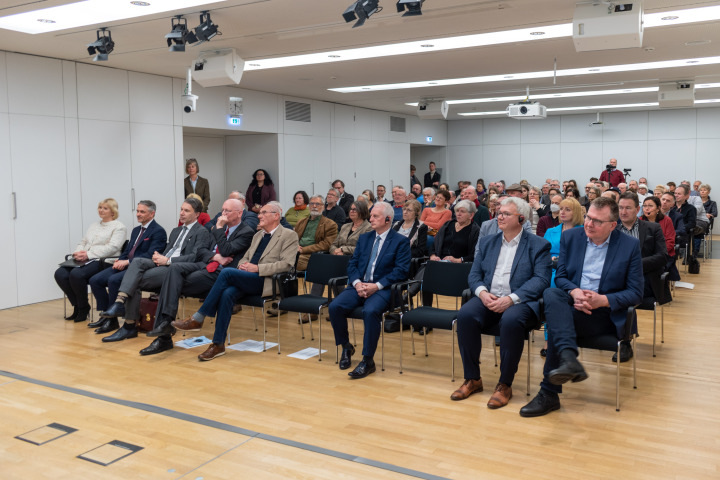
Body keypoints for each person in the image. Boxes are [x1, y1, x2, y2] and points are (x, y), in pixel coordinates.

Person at [520, 197, 643, 417]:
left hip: (604, 314)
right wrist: (575, 292)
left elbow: (636, 293)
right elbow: (563, 277)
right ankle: (567, 360)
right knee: (551, 293)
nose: (588, 224)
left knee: (558, 324)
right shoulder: (572, 237)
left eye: (597, 221)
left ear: (612, 226)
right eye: (588, 217)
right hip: (573, 304)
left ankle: (550, 390)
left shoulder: (629, 245)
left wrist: (601, 300)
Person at [107, 198, 256, 344]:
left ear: (240, 213)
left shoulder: (237, 231)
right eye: (222, 210)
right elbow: (203, 252)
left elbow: (218, 251)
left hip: (209, 271)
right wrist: (215, 256)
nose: (222, 214)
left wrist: (218, 230)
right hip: (187, 266)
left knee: (147, 278)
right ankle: (135, 313)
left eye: (227, 211)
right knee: (139, 265)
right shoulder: (179, 230)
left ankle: (144, 327)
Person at [451, 197, 551, 408]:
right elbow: (475, 273)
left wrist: (511, 299)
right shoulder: (488, 242)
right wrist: (482, 293)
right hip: (489, 296)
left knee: (511, 321)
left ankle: (505, 384)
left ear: (521, 218)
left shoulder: (538, 245)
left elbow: (541, 280)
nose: (499, 216)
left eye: (506, 214)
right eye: (499, 212)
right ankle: (473, 379)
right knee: (466, 315)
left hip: (520, 301)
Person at [175, 201, 300, 361]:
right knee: (227, 294)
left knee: (227, 273)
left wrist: (257, 269)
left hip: (267, 280)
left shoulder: (289, 235)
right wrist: (243, 267)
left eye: (263, 213)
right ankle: (218, 344)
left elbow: (287, 264)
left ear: (276, 216)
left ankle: (199, 318)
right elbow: (244, 258)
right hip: (249, 277)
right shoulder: (258, 235)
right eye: (259, 213)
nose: (259, 216)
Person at [97, 197, 211, 354]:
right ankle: (119, 302)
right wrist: (159, 256)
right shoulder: (176, 230)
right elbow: (167, 251)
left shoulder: (202, 232)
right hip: (162, 263)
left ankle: (129, 325)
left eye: (186, 211)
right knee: (136, 263)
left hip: (176, 267)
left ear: (197, 214)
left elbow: (195, 257)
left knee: (133, 280)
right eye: (181, 209)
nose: (182, 213)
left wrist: (168, 260)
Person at [329, 202, 411, 379]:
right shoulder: (365, 238)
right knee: (335, 306)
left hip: (383, 288)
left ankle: (368, 360)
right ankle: (346, 347)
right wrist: (357, 283)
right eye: (371, 215)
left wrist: (377, 286)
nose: (370, 219)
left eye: (375, 216)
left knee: (371, 311)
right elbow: (353, 264)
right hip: (360, 285)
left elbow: (401, 271)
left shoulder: (400, 242)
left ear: (388, 219)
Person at [88, 201, 166, 324]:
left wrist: (127, 262)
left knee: (114, 280)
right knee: (95, 280)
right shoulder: (136, 230)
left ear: (152, 214)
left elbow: (150, 255)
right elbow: (129, 250)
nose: (138, 214)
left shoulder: (158, 231)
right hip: (126, 263)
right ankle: (105, 314)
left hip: (139, 268)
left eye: (142, 212)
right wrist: (120, 259)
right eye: (138, 211)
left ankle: (111, 320)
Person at [55, 198, 127, 323]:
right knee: (60, 273)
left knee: (76, 274)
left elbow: (113, 247)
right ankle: (78, 305)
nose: (101, 210)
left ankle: (83, 308)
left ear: (113, 211)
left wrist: (88, 254)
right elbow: (83, 242)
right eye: (100, 207)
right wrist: (78, 252)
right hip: (86, 258)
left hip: (103, 261)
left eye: (105, 208)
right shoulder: (93, 225)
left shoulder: (119, 227)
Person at [544, 197, 584, 287]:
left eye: (567, 210)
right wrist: (550, 259)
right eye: (561, 208)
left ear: (576, 213)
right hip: (550, 269)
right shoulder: (550, 231)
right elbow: (542, 252)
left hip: (572, 271)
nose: (562, 212)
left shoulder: (584, 232)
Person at [297, 195, 339, 273]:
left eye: (317, 204)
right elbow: (293, 238)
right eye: (312, 203)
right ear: (308, 206)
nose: (314, 206)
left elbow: (326, 244)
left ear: (323, 207)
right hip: (297, 252)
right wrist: (295, 246)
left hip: (313, 255)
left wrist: (303, 250)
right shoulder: (301, 222)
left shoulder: (330, 224)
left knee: (292, 262)